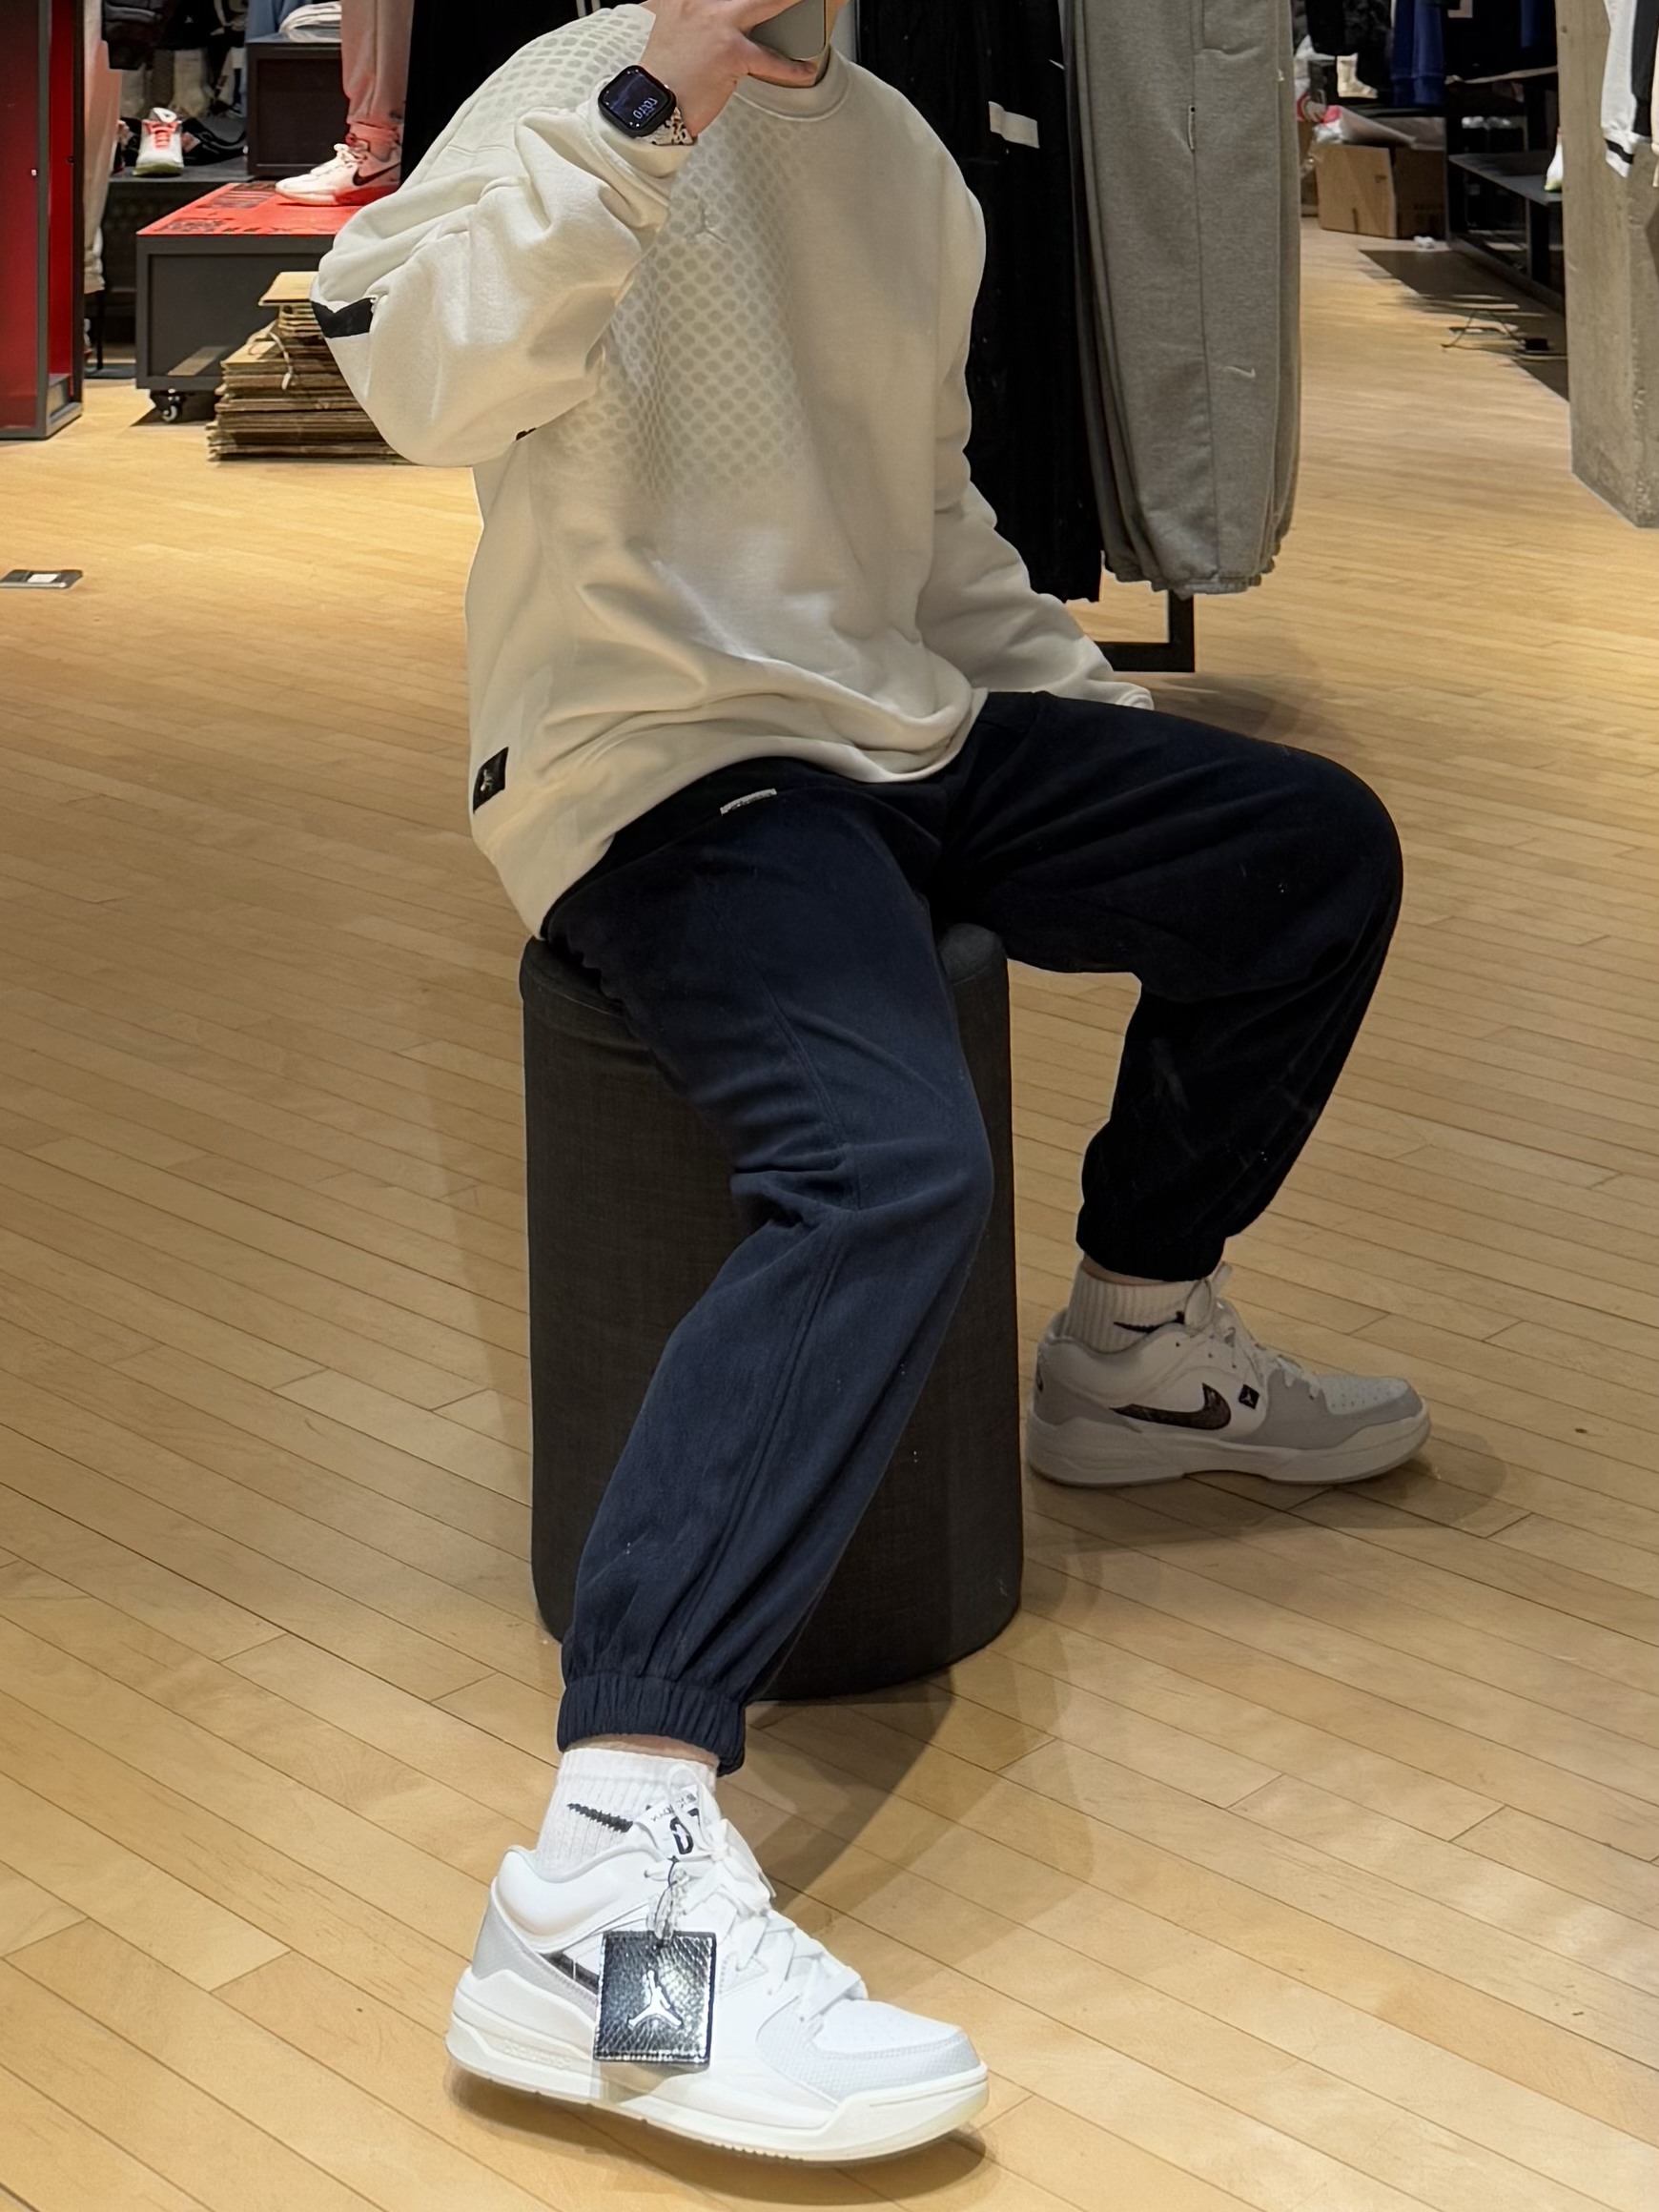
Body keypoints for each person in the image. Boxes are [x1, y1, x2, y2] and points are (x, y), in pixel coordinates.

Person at [314, 0, 1428, 2164]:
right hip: (663, 758)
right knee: (891, 1157)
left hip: (903, 733)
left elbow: (927, 535)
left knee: (1307, 849)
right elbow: (423, 386)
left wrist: (1095, 734)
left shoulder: (911, 159)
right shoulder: (573, 81)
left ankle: (1134, 1346)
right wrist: (659, 91)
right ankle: (606, 1866)